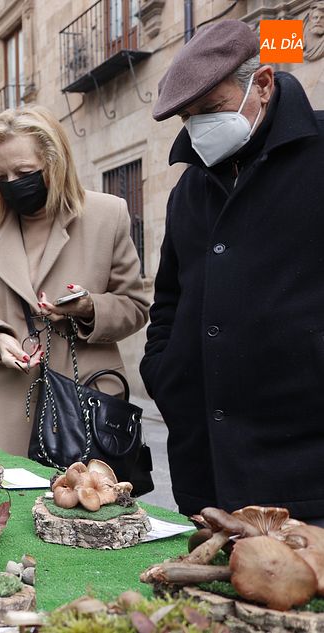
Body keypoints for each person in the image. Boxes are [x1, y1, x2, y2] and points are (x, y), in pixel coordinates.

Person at [141, 20, 324, 523]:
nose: (198, 126)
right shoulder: (188, 189)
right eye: (188, 116)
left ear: (261, 84)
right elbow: (169, 298)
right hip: (206, 462)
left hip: (306, 463)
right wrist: (163, 371)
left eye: (212, 108)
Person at [0, 105, 149, 456]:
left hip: (84, 401)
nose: (12, 184)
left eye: (24, 172)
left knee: (81, 491)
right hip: (0, 403)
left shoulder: (107, 214)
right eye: (0, 176)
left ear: (55, 163)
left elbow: (135, 306)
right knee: (3, 491)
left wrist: (89, 309)